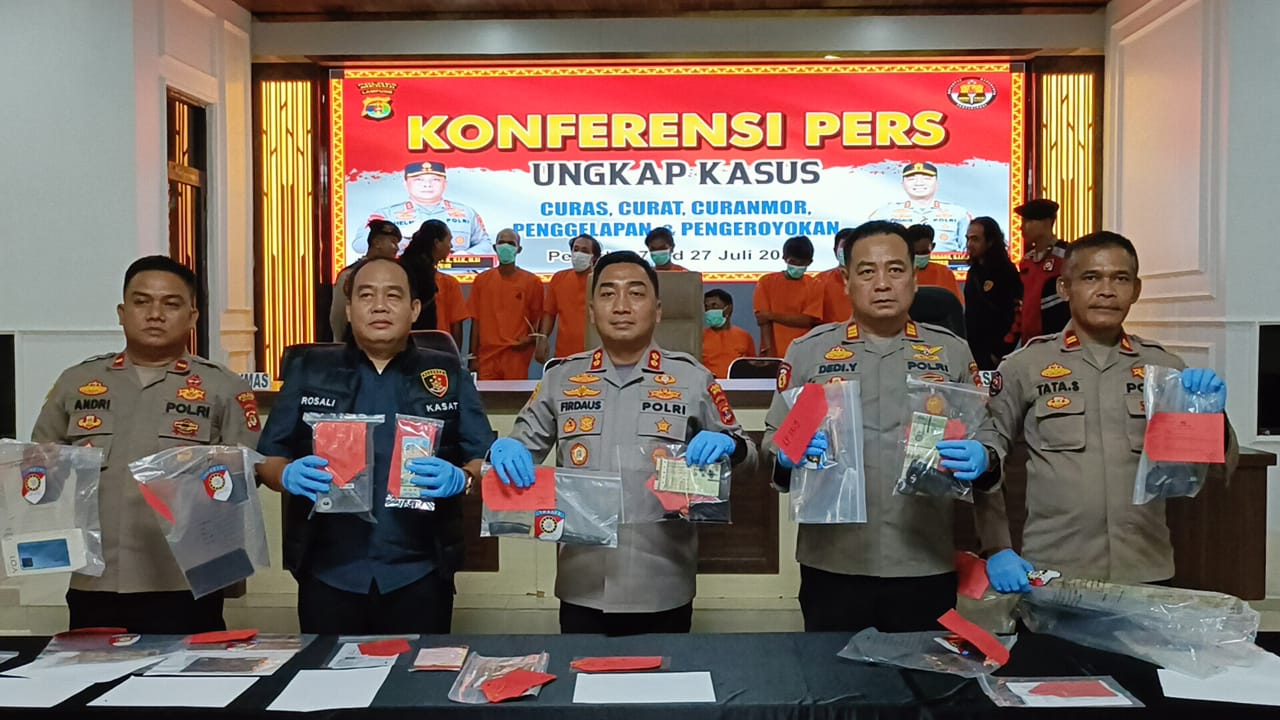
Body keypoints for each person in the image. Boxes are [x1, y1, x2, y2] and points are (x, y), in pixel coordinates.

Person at [488, 251, 757, 636]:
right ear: (592, 311)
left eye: (636, 293)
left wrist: (732, 447)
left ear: (658, 310)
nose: (621, 306)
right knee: (581, 675)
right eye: (608, 294)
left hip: (664, 583)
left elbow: (751, 459)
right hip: (582, 584)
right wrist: (502, 451)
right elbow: (520, 450)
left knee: (664, 675)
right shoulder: (561, 378)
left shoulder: (693, 378)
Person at [763, 221, 999, 633]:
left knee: (920, 670)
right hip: (833, 561)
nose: (882, 284)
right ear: (846, 280)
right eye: (867, 271)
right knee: (831, 670)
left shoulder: (951, 351)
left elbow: (986, 433)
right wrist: (784, 455)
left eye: (895, 269)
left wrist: (985, 456)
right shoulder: (809, 352)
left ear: (914, 277)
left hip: (923, 559)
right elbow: (772, 439)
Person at [977, 232, 1238, 593]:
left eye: (1120, 279)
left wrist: (1210, 413)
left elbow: (1218, 468)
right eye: (1091, 278)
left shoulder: (1164, 369)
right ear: (1065, 288)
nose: (1107, 291)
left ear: (1136, 290)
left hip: (1145, 569)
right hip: (1054, 570)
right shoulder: (1026, 365)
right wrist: (997, 547)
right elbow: (988, 455)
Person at [257, 256, 494, 634]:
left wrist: (462, 478)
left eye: (393, 296)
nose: (380, 306)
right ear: (349, 310)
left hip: (421, 572)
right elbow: (266, 460)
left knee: (417, 671)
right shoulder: (310, 369)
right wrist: (285, 475)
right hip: (327, 572)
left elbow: (484, 461)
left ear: (414, 309)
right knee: (326, 671)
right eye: (366, 295)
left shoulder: (449, 374)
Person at [32, 256, 260, 633]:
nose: (155, 314)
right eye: (141, 302)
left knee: (188, 671)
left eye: (170, 304)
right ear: (122, 313)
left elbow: (247, 480)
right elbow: (40, 472)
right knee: (91, 669)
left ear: (192, 316)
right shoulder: (77, 382)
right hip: (97, 578)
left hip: (188, 579)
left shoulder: (223, 387)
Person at [353, 161, 491, 256]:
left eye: (435, 180)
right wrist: (398, 235)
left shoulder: (466, 213)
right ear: (405, 184)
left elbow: (485, 244)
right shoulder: (385, 215)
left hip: (456, 277)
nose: (427, 185)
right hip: (405, 276)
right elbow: (359, 246)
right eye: (418, 180)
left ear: (445, 184)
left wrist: (468, 254)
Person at [467, 228, 544, 379]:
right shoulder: (482, 280)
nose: (506, 246)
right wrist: (472, 356)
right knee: (486, 394)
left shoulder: (532, 282)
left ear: (519, 249)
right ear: (494, 247)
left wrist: (529, 340)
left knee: (514, 394)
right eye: (502, 242)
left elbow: (538, 321)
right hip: (487, 356)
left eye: (511, 243)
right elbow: (475, 322)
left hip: (515, 355)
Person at [869, 162, 971, 253]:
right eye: (911, 179)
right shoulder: (885, 213)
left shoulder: (958, 213)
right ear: (903, 184)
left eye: (926, 179)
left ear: (937, 184)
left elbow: (969, 250)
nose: (919, 183)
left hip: (947, 267)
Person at [1008, 198, 1070, 345]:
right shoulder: (1027, 260)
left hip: (1057, 343)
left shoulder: (1067, 256)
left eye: (1029, 221)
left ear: (1047, 222)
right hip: (1028, 344)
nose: (1022, 227)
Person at [963, 217, 1022, 370]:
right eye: (968, 239)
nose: (969, 244)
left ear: (990, 242)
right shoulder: (973, 272)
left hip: (997, 357)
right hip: (972, 354)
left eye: (975, 239)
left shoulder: (1006, 272)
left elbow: (1017, 315)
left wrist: (999, 353)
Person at [401, 220, 468, 349]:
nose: (451, 246)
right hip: (429, 348)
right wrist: (454, 355)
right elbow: (456, 326)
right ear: (437, 243)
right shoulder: (422, 276)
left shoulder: (402, 270)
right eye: (449, 241)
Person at [753, 235, 823, 358]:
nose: (797, 267)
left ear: (810, 262)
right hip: (774, 355)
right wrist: (768, 351)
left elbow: (807, 320)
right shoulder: (766, 282)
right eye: (793, 262)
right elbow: (763, 321)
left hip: (805, 353)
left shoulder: (815, 285)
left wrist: (771, 315)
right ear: (784, 258)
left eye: (802, 264)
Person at [536, 233, 601, 366]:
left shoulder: (601, 281)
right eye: (575, 249)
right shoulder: (559, 278)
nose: (578, 254)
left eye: (584, 251)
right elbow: (549, 313)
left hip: (596, 355)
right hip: (564, 355)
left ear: (594, 257)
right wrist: (542, 338)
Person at [332, 220, 401, 342]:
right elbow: (338, 317)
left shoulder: (397, 275)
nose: (397, 248)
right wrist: (340, 343)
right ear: (377, 243)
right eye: (393, 242)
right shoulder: (349, 275)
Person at [702, 289, 757, 378]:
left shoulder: (744, 337)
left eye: (714, 306)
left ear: (728, 309)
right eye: (706, 307)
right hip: (708, 384)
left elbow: (752, 366)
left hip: (737, 384)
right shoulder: (699, 338)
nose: (709, 311)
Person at [905, 224, 962, 303]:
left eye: (924, 252)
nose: (920, 256)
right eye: (916, 253)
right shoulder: (900, 273)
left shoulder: (945, 273)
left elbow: (956, 304)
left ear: (933, 246)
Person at [820, 228, 855, 324]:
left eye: (851, 246)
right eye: (844, 246)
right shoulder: (819, 281)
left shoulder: (874, 280)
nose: (848, 251)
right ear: (835, 251)